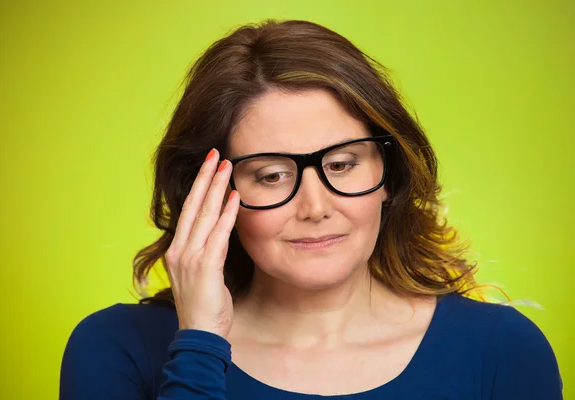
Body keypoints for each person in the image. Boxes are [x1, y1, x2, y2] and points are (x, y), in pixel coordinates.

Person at [59, 19, 563, 399]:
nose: (316, 207)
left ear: (391, 176)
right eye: (272, 175)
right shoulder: (117, 346)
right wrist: (198, 346)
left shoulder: (503, 350)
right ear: (206, 195)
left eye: (342, 165)